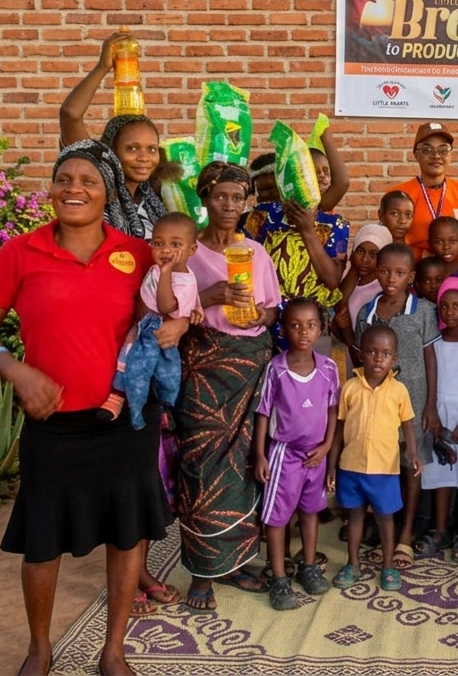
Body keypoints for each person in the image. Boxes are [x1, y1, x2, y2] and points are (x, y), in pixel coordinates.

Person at [0, 141, 171, 676]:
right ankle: (39, 646)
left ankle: (113, 650)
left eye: (89, 181)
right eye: (64, 179)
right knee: (43, 539)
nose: (74, 188)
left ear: (107, 194)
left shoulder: (139, 253)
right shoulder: (19, 252)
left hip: (125, 418)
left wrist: (184, 319)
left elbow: (169, 311)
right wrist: (15, 370)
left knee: (128, 532)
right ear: (51, 189)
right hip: (50, 424)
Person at [177, 161, 282, 610]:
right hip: (205, 370)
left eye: (238, 198)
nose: (229, 205)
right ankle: (202, 572)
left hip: (250, 366)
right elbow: (166, 310)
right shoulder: (187, 253)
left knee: (245, 465)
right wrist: (210, 296)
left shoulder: (256, 253)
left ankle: (236, 560)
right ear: (204, 198)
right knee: (203, 466)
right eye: (220, 196)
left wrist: (261, 316)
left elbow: (273, 309)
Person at [355, 243, 440, 569]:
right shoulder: (367, 312)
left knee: (411, 466)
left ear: (411, 276)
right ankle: (385, 531)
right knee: (381, 468)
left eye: (400, 273)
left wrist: (430, 404)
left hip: (415, 403)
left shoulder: (423, 311)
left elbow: (430, 359)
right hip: (378, 409)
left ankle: (405, 536)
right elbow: (361, 361)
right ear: (377, 271)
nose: (392, 278)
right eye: (385, 271)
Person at [254, 299, 339, 611]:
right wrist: (261, 455)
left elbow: (333, 410)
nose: (304, 331)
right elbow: (263, 413)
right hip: (284, 455)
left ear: (321, 328)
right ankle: (278, 577)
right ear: (284, 329)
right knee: (277, 517)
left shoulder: (329, 368)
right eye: (295, 325)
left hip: (315, 456)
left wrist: (327, 447)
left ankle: (308, 566)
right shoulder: (276, 369)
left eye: (311, 325)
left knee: (310, 510)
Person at [328, 326, 422, 592]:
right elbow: (338, 429)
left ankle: (388, 566)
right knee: (355, 516)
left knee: (385, 517)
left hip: (385, 469)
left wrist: (413, 453)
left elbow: (408, 425)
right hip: (351, 467)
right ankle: (353, 563)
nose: (378, 359)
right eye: (371, 352)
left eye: (385, 354)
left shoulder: (399, 391)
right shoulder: (349, 388)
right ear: (360, 354)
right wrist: (332, 465)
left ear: (395, 358)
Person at [58, 33, 167, 240]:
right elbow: (70, 115)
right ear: (111, 151)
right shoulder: (99, 188)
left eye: (151, 149)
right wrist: (102, 67)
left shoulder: (155, 199)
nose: (144, 157)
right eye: (132, 148)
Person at [97, 212, 201, 428]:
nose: (165, 250)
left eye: (175, 244)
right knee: (150, 370)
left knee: (137, 368)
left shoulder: (177, 278)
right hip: (145, 326)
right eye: (158, 243)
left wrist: (165, 273)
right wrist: (197, 308)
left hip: (156, 331)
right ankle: (155, 408)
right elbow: (194, 298)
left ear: (192, 250)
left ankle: (125, 403)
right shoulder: (175, 271)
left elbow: (166, 306)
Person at [414, 277, 458, 563]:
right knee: (441, 472)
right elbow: (431, 380)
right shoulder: (435, 343)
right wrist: (432, 412)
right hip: (439, 412)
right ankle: (440, 529)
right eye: (444, 305)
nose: (450, 311)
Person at [243, 152, 350, 313]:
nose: (268, 197)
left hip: (314, 317)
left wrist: (306, 229)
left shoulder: (331, 224)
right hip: (269, 311)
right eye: (261, 191)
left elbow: (332, 279)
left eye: (274, 189)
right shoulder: (258, 218)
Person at [392, 122, 458, 264]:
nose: (436, 156)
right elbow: (388, 243)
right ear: (415, 155)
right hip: (414, 277)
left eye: (443, 150)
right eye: (427, 150)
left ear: (451, 154)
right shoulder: (399, 195)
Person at [336, 223, 393, 351]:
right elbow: (340, 303)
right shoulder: (351, 283)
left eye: (374, 255)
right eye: (360, 251)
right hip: (354, 351)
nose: (365, 259)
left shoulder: (385, 288)